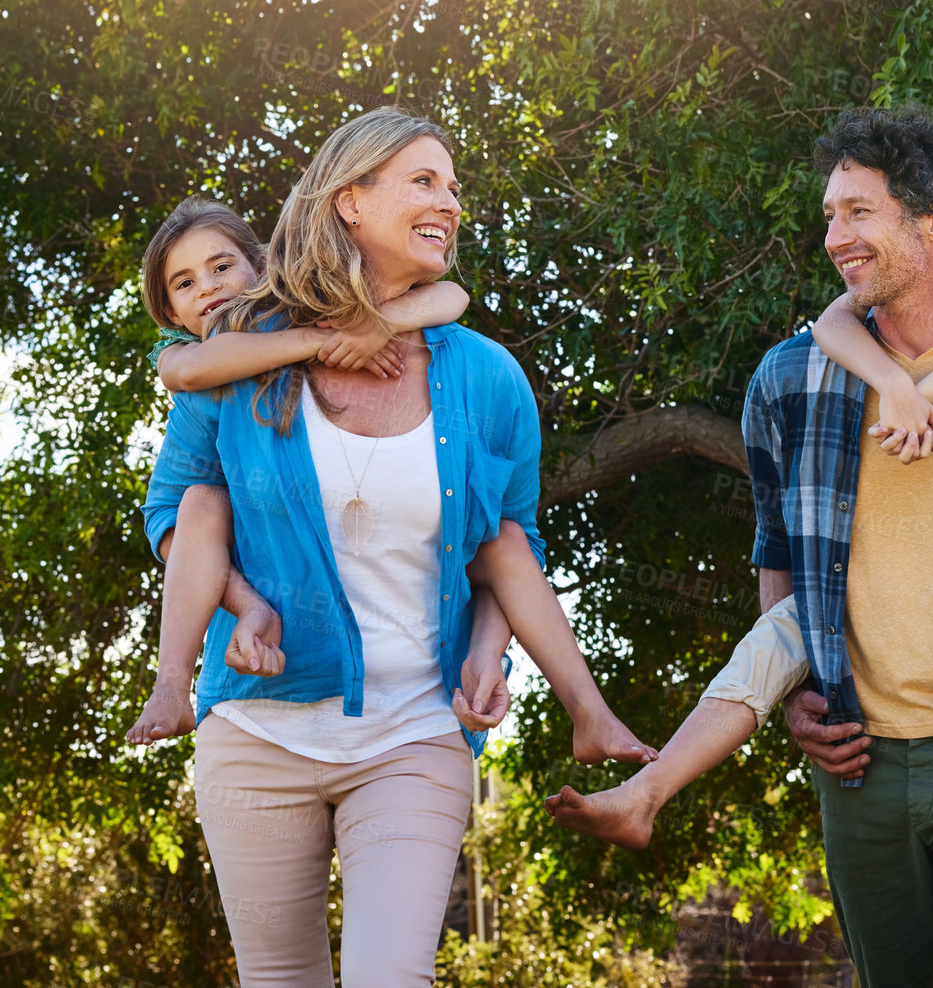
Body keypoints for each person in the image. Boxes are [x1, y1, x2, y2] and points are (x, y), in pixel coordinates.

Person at [560, 103, 933, 988]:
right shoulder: (788, 380)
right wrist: (795, 698)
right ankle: (649, 792)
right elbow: (775, 550)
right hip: (858, 762)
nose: (834, 237)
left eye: (857, 212)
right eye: (828, 216)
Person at [141, 109, 652, 988]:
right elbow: (176, 512)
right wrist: (243, 604)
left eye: (453, 187)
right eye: (424, 182)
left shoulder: (486, 376)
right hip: (257, 730)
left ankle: (590, 710)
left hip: (414, 730)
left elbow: (507, 542)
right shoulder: (238, 357)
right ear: (350, 202)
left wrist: (489, 654)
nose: (449, 201)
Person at [127, 194, 468, 744]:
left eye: (221, 267)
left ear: (259, 267)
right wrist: (321, 344)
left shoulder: (301, 306)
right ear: (170, 313)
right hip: (239, 563)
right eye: (184, 283)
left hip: (397, 666)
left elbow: (452, 293)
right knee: (199, 502)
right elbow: (167, 502)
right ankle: (171, 684)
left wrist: (375, 325)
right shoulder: (192, 364)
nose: (209, 287)